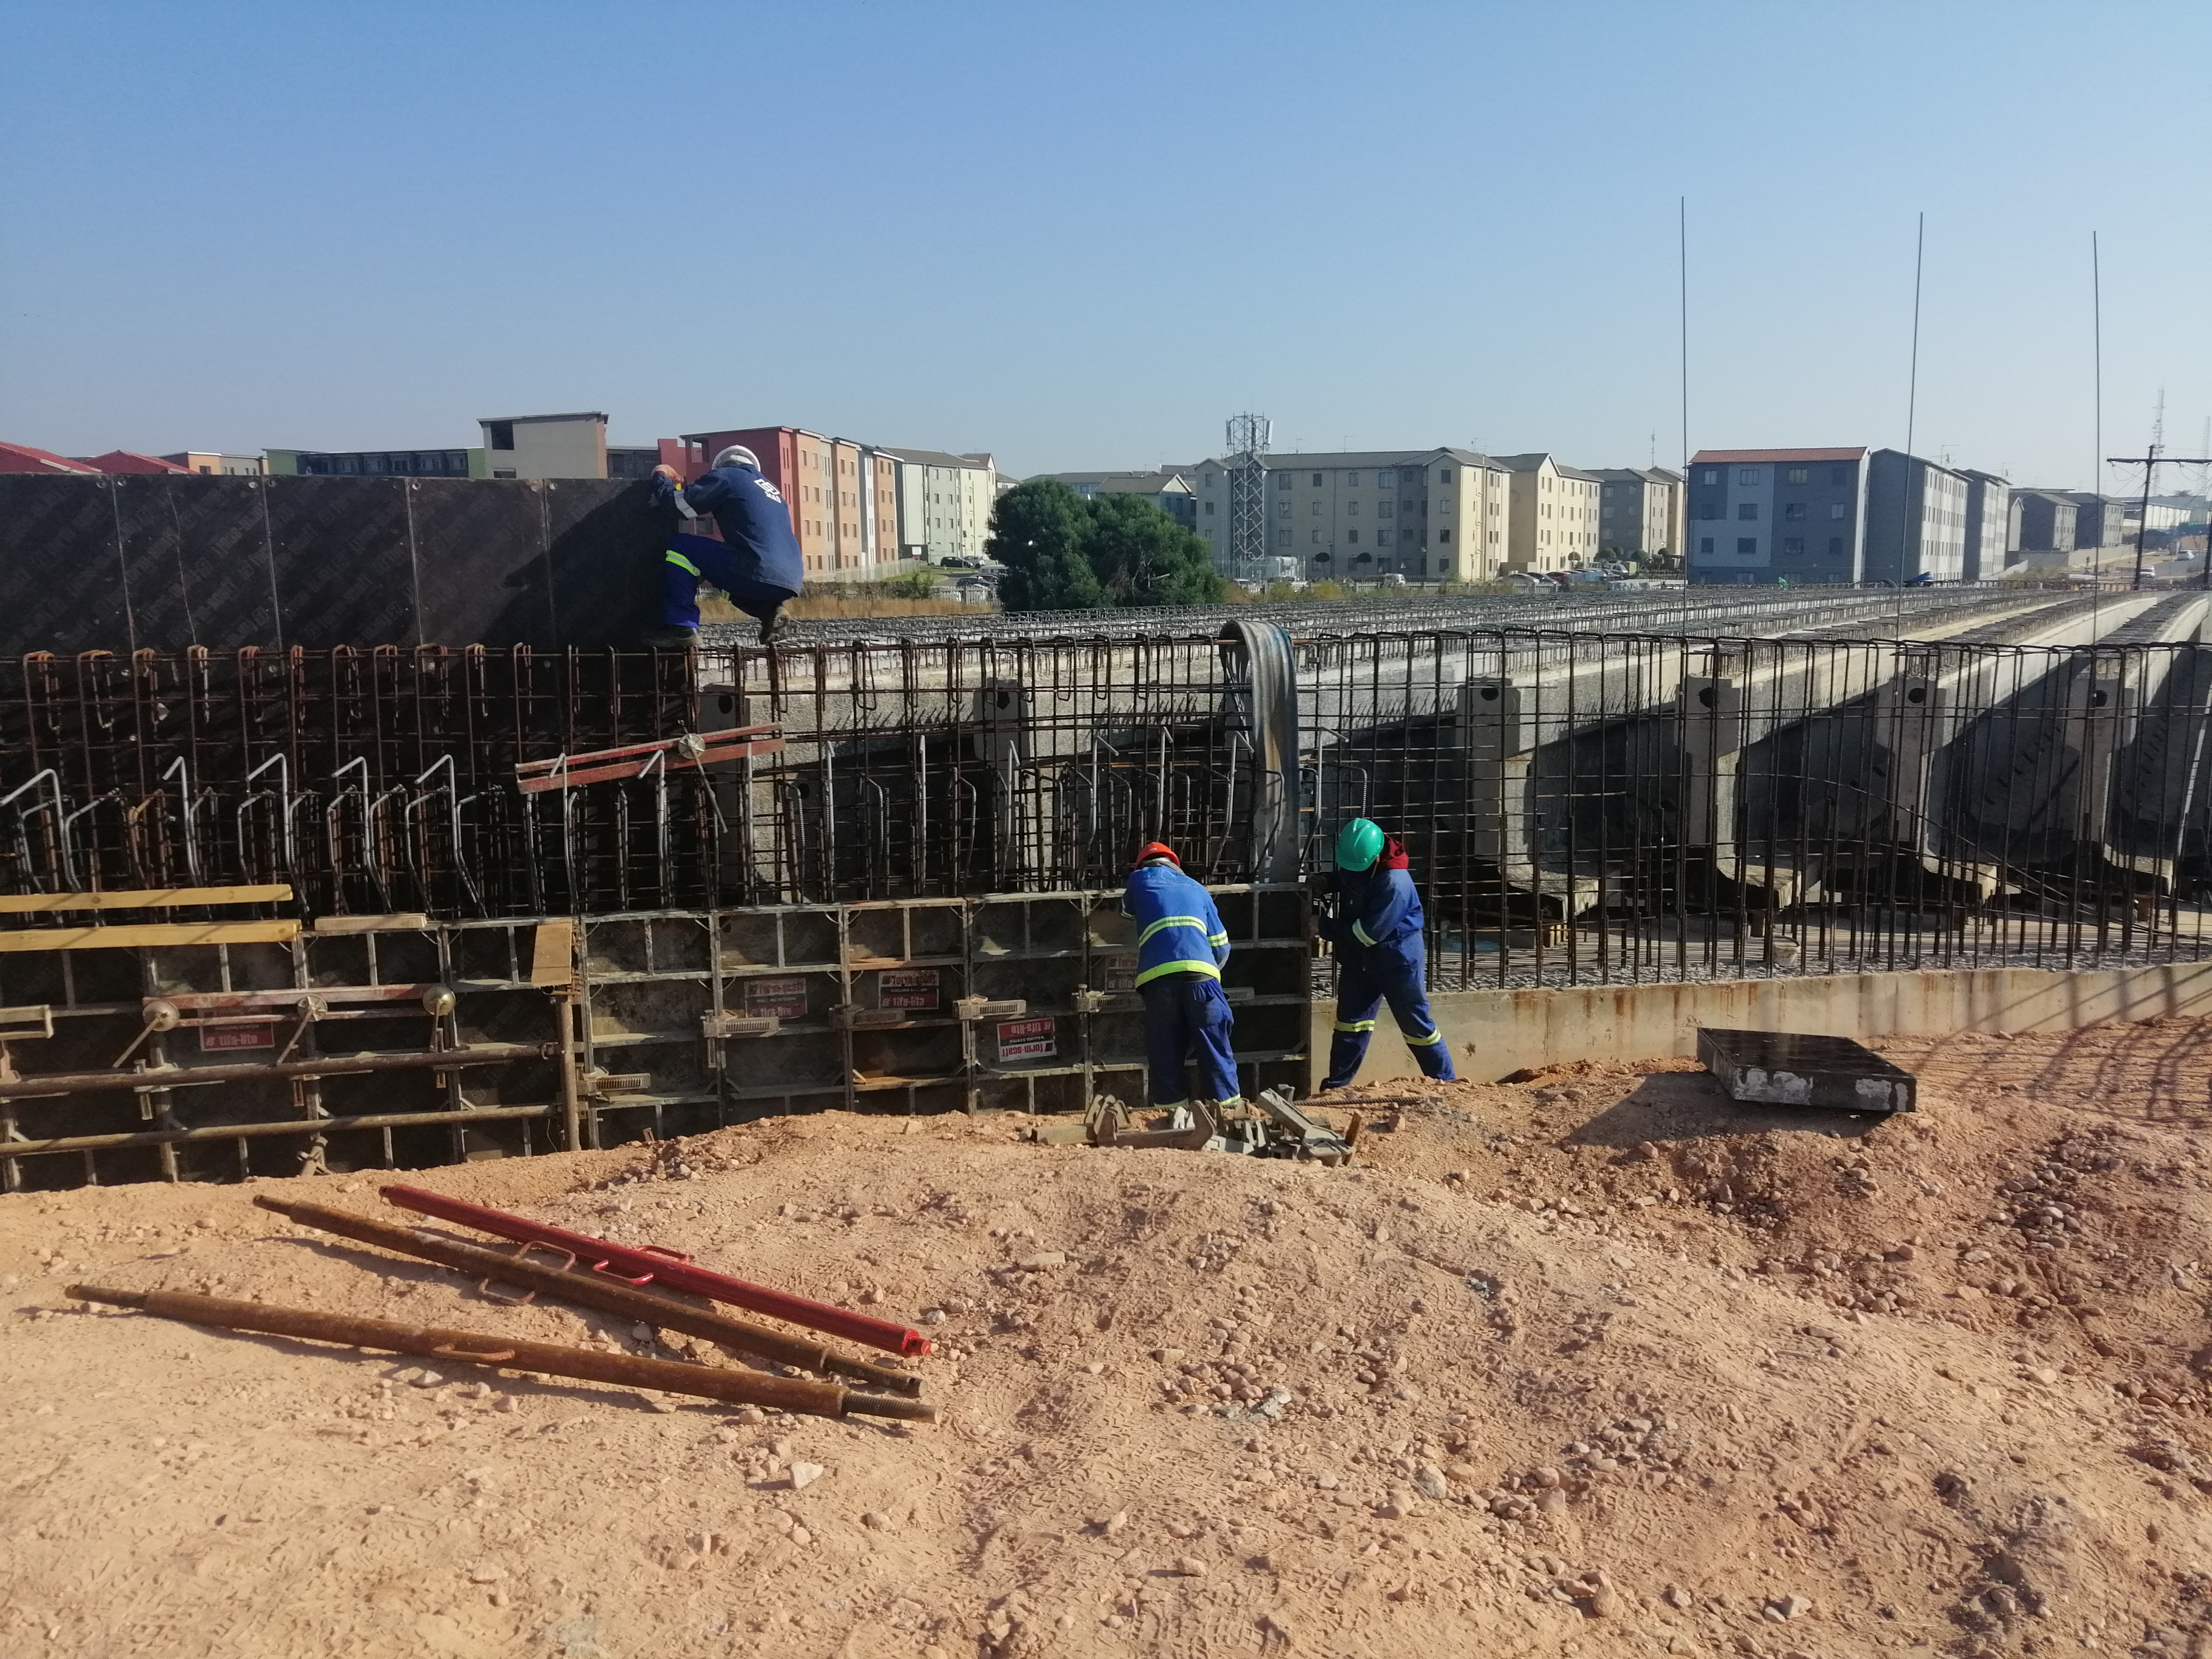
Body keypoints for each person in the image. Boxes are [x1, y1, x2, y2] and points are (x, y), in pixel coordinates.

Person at [1316, 817, 1457, 1089]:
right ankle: (1336, 1087)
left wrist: (1322, 926)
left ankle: (1446, 1083)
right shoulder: (1362, 861)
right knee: (1350, 1025)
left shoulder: (1394, 883)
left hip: (1397, 963)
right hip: (1360, 961)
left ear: (1378, 857)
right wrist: (1326, 881)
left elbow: (1368, 934)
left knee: (1417, 1027)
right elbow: (1350, 877)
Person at [1120, 842, 1241, 1114]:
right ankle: (1230, 1115)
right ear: (1175, 864)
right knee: (1216, 1051)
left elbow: (1125, 911)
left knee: (1166, 1054)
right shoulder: (1198, 889)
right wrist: (1208, 975)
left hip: (1159, 982)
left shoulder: (1139, 879)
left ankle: (1172, 1119)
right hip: (1204, 981)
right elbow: (1222, 947)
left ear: (1141, 865)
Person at [645, 445, 804, 647]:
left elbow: (677, 505)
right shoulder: (773, 492)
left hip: (755, 567)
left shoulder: (727, 476)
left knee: (681, 547)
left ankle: (681, 628)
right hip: (791, 580)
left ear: (721, 466)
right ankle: (770, 611)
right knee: (722, 574)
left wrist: (660, 475)